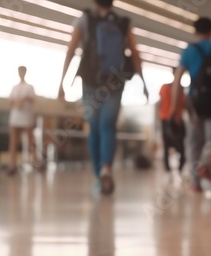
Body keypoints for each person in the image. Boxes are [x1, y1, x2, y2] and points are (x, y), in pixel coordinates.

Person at [57, 0, 148, 194]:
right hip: (115, 82)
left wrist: (62, 83)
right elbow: (135, 53)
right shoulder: (124, 22)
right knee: (109, 126)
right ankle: (107, 166)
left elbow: (71, 50)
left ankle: (99, 175)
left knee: (95, 128)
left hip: (91, 80)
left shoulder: (85, 19)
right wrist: (144, 83)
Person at [169, 17, 211, 192]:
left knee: (193, 142)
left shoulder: (189, 51)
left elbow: (177, 80)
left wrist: (173, 107)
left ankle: (195, 182)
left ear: (195, 31)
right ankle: (204, 165)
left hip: (195, 103)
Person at [8, 66, 39, 175]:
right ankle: (12, 164)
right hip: (16, 116)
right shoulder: (14, 88)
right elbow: (10, 101)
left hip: (26, 116)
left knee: (30, 140)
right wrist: (16, 102)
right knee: (13, 141)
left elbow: (33, 99)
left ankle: (36, 162)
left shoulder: (29, 87)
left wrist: (24, 99)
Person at [158, 67, 186, 172]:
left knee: (180, 143)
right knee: (167, 143)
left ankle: (180, 164)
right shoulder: (165, 87)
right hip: (166, 118)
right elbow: (160, 103)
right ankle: (167, 167)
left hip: (177, 119)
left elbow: (184, 104)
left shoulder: (181, 89)